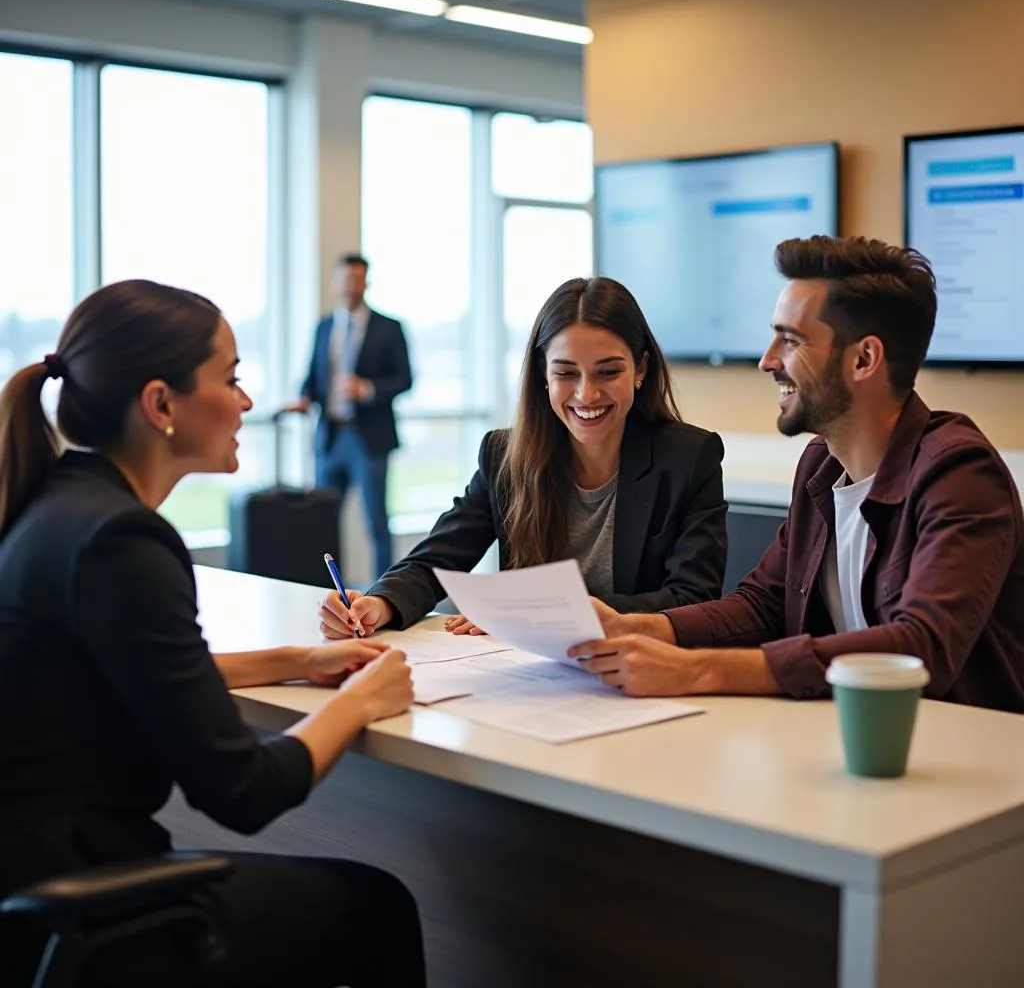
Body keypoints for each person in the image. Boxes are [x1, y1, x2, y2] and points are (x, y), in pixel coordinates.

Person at [0, 280, 426, 987]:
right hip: (79, 901)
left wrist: (296, 659)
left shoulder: (58, 505)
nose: (247, 402)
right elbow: (245, 792)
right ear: (161, 404)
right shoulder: (121, 538)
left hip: (29, 883)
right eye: (230, 379)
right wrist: (362, 701)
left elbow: (126, 667)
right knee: (378, 907)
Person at [568, 236, 1024, 713]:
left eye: (790, 340)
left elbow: (920, 647)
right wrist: (635, 627)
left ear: (864, 359)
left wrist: (696, 669)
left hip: (968, 765)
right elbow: (763, 604)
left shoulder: (960, 474)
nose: (768, 360)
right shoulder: (821, 467)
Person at [319, 275, 728, 641]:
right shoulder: (504, 457)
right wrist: (380, 604)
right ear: (542, 374)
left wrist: (539, 616)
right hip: (529, 680)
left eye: (608, 372)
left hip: (643, 675)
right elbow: (438, 560)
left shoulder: (690, 458)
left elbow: (693, 599)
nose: (586, 394)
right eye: (566, 373)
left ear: (640, 368)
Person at [286, 253, 412, 579]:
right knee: (322, 522)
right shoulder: (324, 326)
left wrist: (367, 389)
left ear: (366, 282)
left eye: (357, 279)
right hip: (330, 437)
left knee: (376, 524)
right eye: (345, 279)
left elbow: (404, 380)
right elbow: (314, 375)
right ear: (334, 283)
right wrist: (303, 397)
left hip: (369, 438)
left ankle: (385, 594)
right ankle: (327, 591)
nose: (350, 286)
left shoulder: (389, 328)